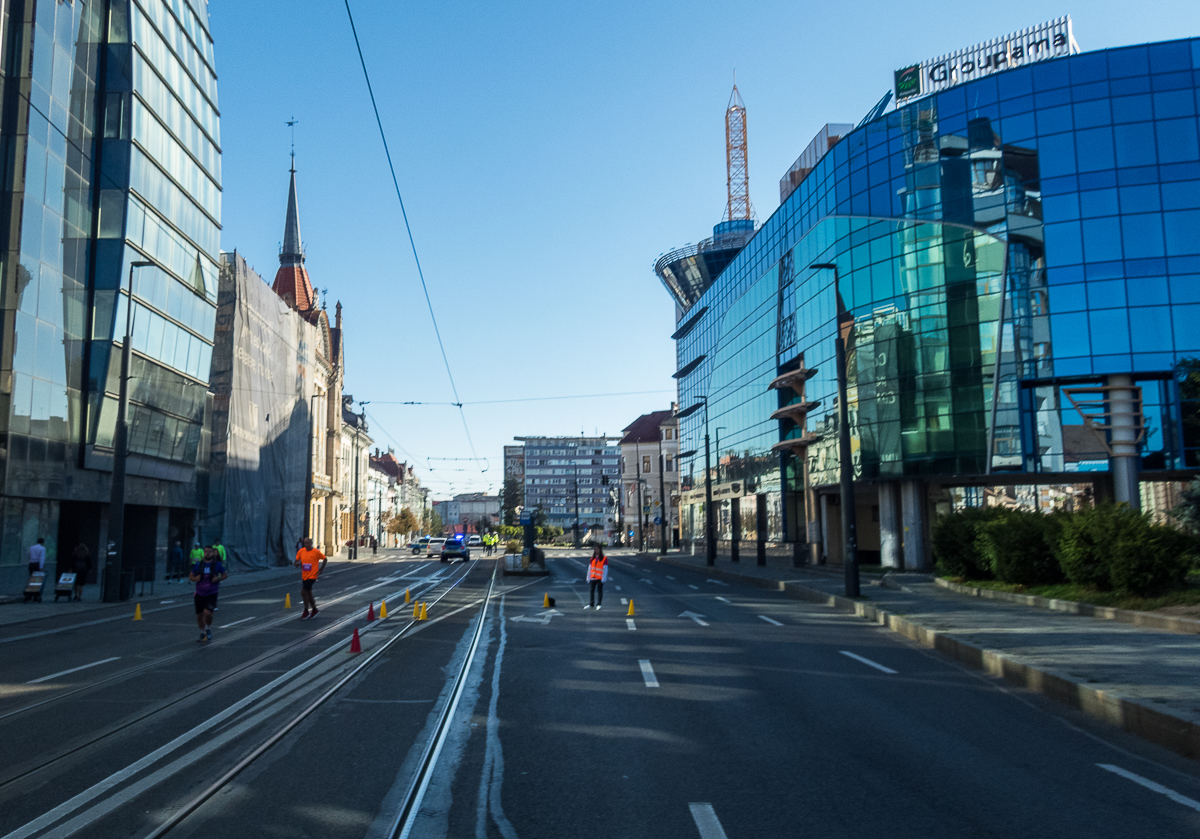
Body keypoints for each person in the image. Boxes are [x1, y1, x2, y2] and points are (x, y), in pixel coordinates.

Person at [190, 546, 227, 642]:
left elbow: (225, 574)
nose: (208, 553)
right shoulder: (198, 565)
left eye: (210, 552)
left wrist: (218, 579)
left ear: (213, 553)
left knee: (207, 613)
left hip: (211, 593)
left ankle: (208, 628)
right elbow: (191, 576)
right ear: (203, 552)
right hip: (199, 593)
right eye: (206, 552)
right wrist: (195, 578)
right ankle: (202, 633)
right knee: (199, 615)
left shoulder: (217, 565)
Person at [294, 537, 327, 620]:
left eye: (308, 543)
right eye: (305, 543)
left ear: (311, 543)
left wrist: (321, 569)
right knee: (309, 593)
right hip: (304, 576)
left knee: (303, 592)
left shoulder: (316, 552)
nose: (306, 545)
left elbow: (325, 559)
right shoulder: (301, 551)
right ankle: (315, 609)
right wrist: (297, 563)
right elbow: (296, 561)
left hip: (312, 576)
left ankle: (306, 611)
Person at [584, 545, 608, 610]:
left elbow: (605, 569)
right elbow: (590, 568)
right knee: (592, 591)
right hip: (593, 577)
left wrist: (604, 578)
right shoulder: (592, 558)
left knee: (599, 591)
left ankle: (599, 604)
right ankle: (591, 604)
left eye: (597, 549)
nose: (596, 550)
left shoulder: (604, 558)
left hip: (600, 578)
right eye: (595, 549)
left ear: (600, 550)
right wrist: (588, 577)